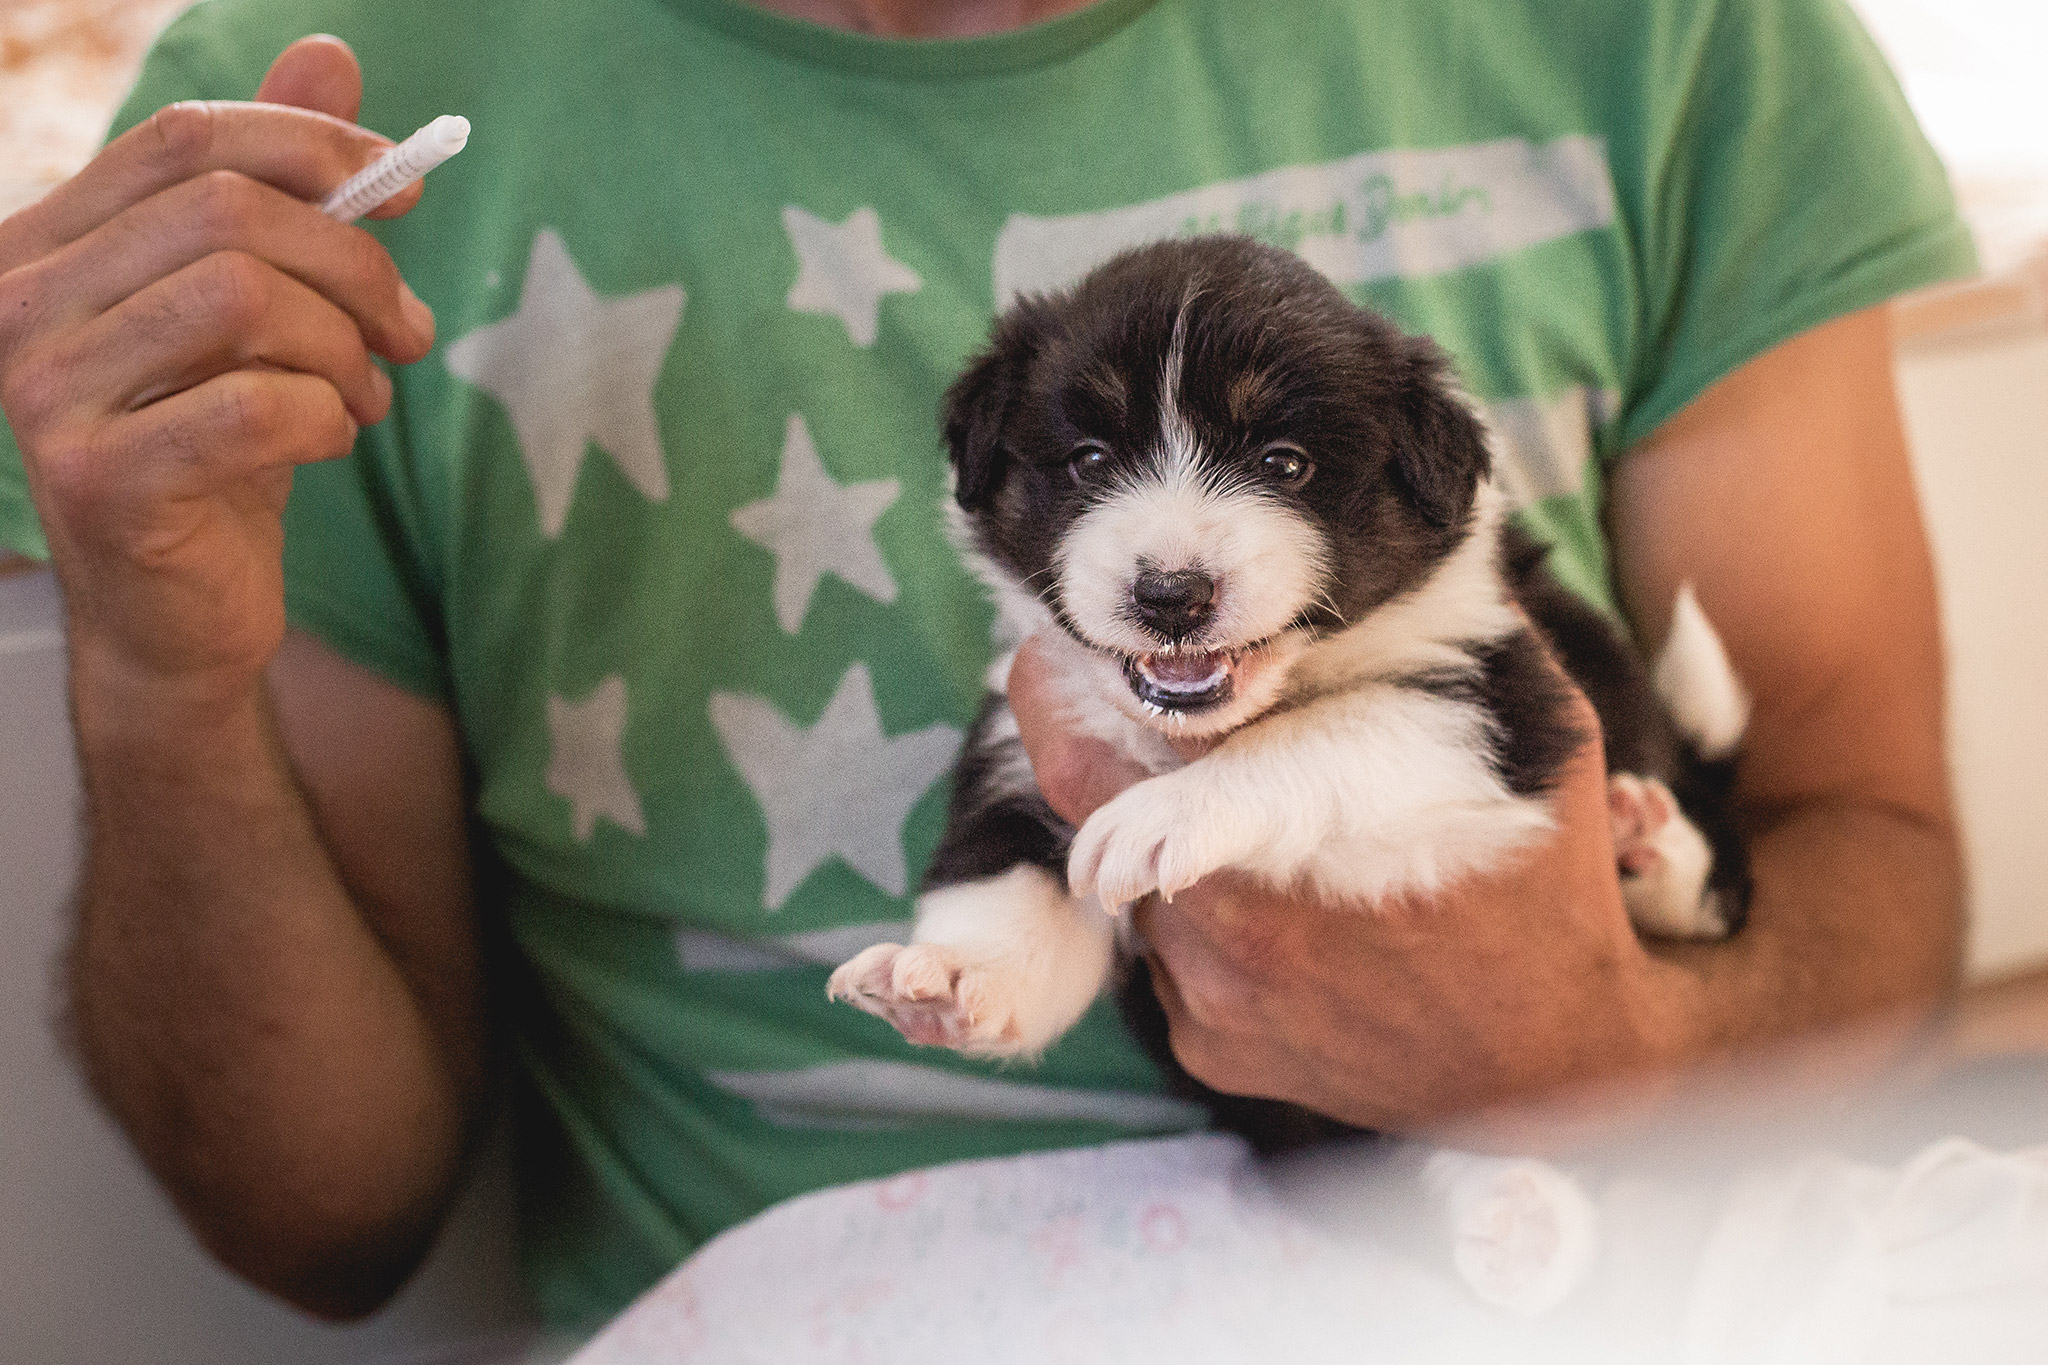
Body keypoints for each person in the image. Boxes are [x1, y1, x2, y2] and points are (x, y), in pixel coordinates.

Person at [0, 0, 1972, 1335]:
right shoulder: (305, 136)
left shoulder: (1669, 34)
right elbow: (316, 1221)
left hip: (1604, 1260)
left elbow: (1863, 837)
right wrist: (157, 671)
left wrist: (1605, 1054)